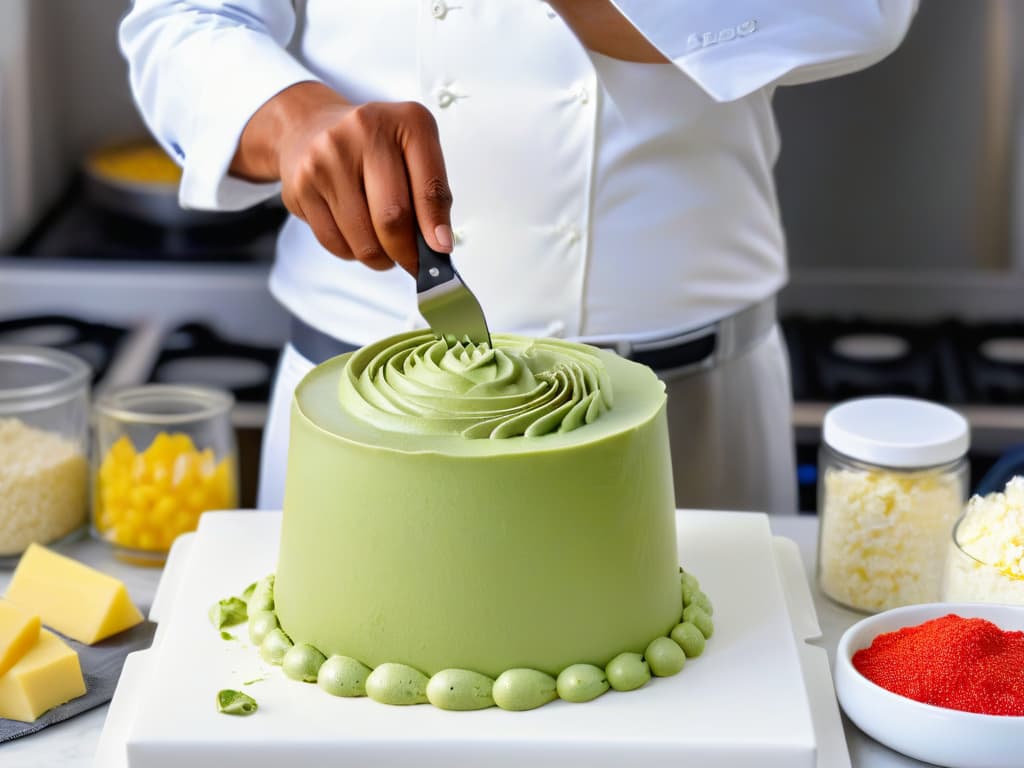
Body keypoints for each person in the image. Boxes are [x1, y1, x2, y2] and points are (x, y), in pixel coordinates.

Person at [120, 1, 917, 514]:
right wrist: (291, 119)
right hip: (358, 417)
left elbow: (865, 9)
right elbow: (183, 20)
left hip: (690, 427)